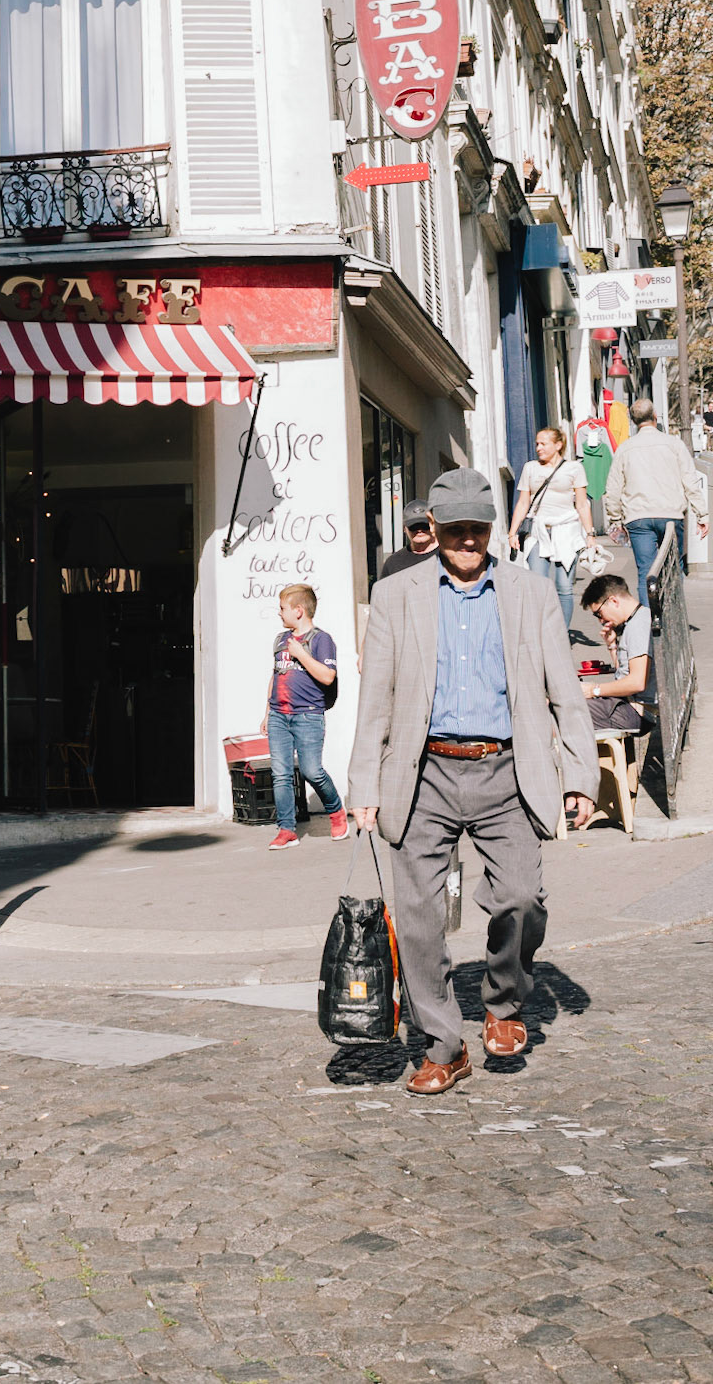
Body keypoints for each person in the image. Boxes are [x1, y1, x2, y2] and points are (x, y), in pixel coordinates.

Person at [348, 467, 599, 1096]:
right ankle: (442, 1045)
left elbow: (564, 693)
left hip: (507, 770)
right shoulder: (396, 595)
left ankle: (503, 1003)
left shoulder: (531, 593)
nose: (466, 540)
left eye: (476, 530)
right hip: (424, 773)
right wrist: (363, 789)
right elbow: (374, 701)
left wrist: (579, 776)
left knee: (520, 899)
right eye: (454, 529)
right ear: (432, 529)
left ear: (491, 530)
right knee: (419, 917)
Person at [260, 583, 346, 850]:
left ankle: (336, 810)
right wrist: (267, 713)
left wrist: (300, 654)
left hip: (308, 716)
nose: (279, 613)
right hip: (279, 715)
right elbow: (276, 675)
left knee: (311, 771)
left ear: (298, 611)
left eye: (283, 608)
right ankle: (287, 830)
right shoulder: (280, 640)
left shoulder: (321, 640)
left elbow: (327, 676)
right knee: (281, 774)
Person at [605, 397, 709, 592]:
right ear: (655, 417)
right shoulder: (673, 444)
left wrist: (615, 520)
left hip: (637, 518)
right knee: (672, 570)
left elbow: (613, 488)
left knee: (646, 571)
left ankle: (649, 619)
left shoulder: (624, 449)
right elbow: (690, 481)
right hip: (670, 515)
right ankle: (673, 617)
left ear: (633, 422)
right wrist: (702, 514)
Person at [506, 426, 598, 626]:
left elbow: (582, 504)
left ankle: (561, 634)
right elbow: (523, 503)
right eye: (537, 443)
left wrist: (590, 534)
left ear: (558, 445)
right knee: (538, 584)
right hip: (538, 531)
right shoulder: (530, 468)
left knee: (564, 587)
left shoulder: (574, 468)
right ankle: (542, 632)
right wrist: (513, 532)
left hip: (567, 530)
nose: (538, 448)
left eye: (543, 443)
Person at [579, 574, 652, 733]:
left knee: (566, 710)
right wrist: (612, 646)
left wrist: (593, 690)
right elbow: (626, 673)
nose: (601, 620)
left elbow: (637, 682)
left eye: (599, 613)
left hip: (636, 712)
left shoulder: (637, 627)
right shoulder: (637, 619)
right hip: (632, 706)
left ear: (613, 601)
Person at [377, 499, 439, 579]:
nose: (419, 530)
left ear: (433, 525)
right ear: (404, 528)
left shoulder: (448, 556)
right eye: (414, 526)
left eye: (424, 525)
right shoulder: (393, 563)